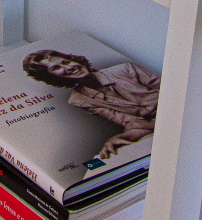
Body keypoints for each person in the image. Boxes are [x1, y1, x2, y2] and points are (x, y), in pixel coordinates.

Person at [22, 49, 161, 159]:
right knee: (119, 153)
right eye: (56, 68)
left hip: (171, 113)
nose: (69, 67)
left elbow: (170, 94)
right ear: (52, 77)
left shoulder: (125, 69)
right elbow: (131, 122)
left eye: (66, 62)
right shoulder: (78, 100)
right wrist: (116, 139)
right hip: (154, 127)